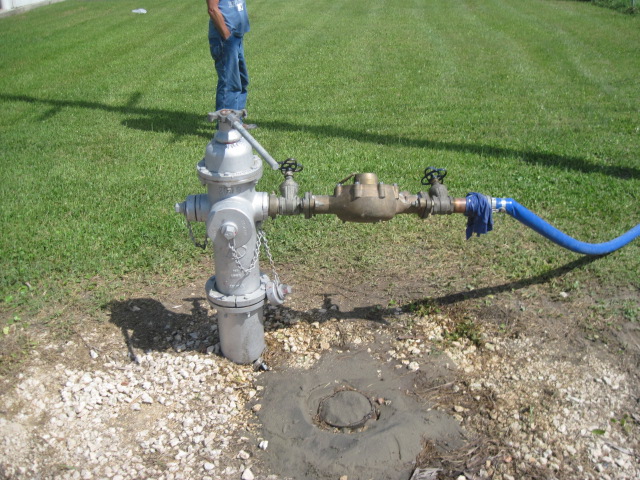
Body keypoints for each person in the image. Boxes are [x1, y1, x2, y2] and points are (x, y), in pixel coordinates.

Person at [206, 0, 256, 128]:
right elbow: (212, 9)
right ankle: (226, 128)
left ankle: (237, 122)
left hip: (236, 37)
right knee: (229, 83)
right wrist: (226, 35)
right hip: (225, 39)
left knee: (242, 80)